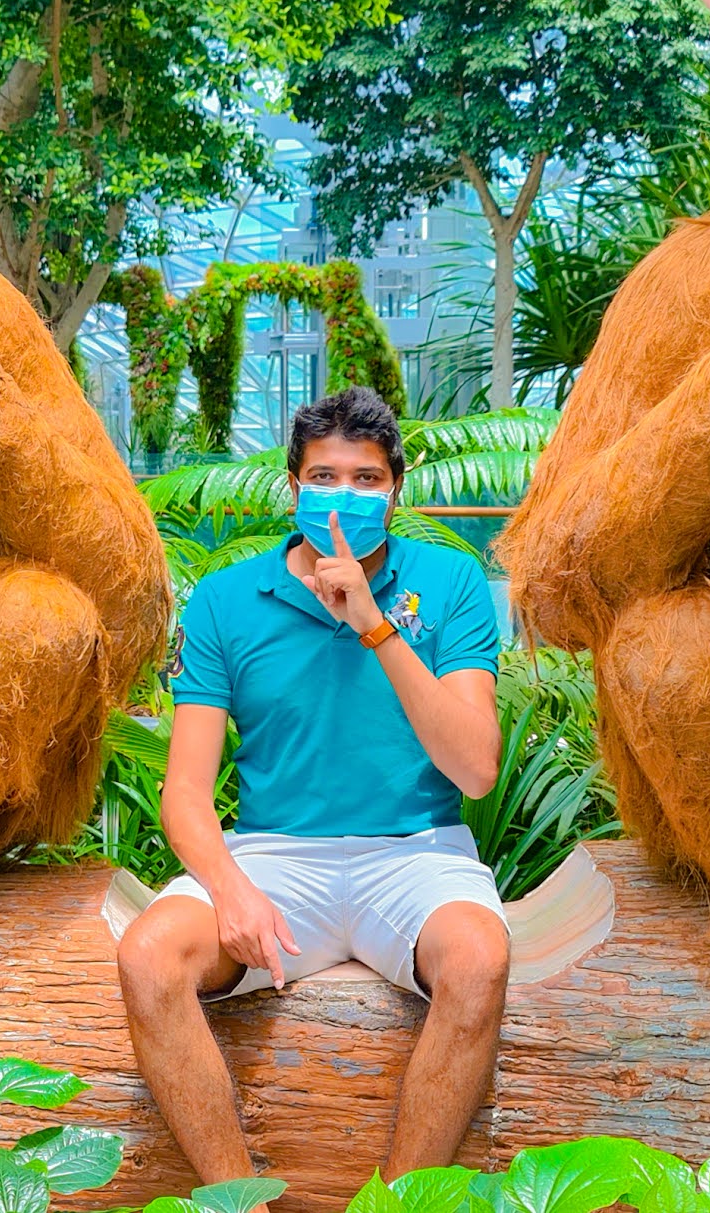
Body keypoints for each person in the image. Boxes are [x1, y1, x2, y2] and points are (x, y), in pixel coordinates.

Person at [116, 385, 510, 1186]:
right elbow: (187, 792)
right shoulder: (229, 598)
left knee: (478, 958)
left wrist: (374, 622)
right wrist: (230, 886)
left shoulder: (451, 579)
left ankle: (395, 1209)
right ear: (292, 486)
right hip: (273, 856)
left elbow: (475, 767)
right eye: (324, 476)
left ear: (396, 488)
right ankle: (240, 1204)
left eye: (366, 479)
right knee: (149, 956)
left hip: (416, 855)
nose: (345, 495)